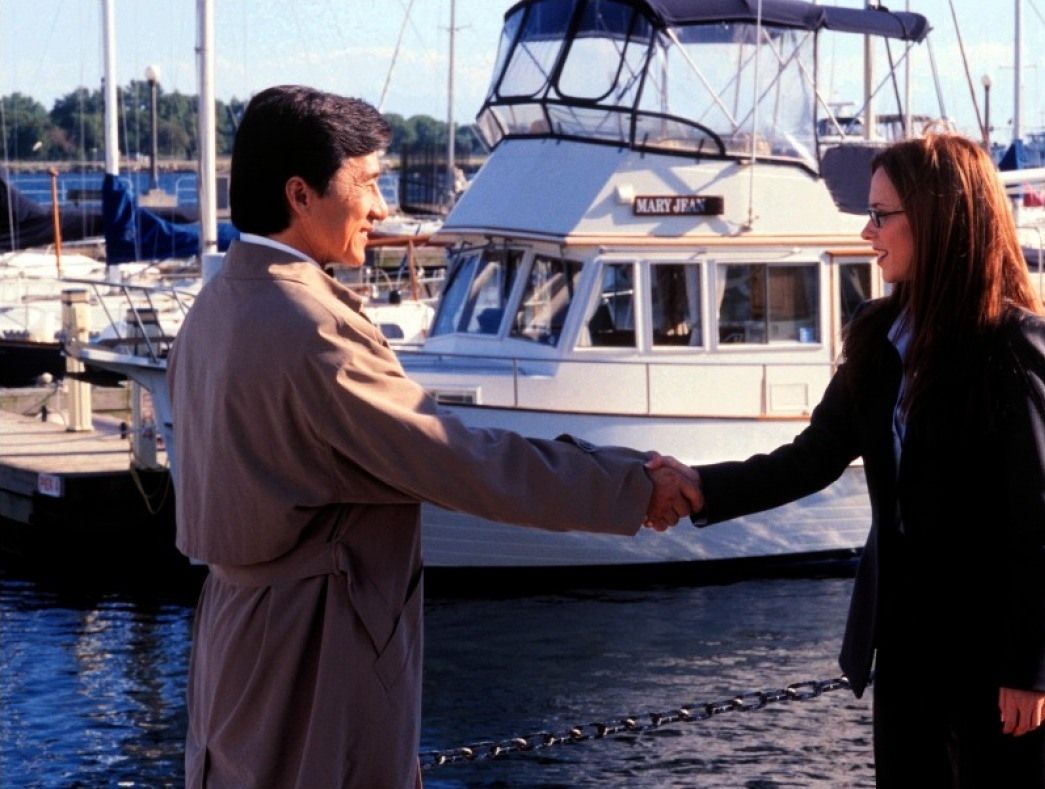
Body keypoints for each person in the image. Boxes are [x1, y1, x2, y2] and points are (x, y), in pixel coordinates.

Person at [167, 85, 701, 789]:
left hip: (229, 645)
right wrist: (629, 487)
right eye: (367, 183)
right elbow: (458, 459)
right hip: (312, 649)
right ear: (300, 194)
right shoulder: (311, 326)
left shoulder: (215, 305)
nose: (382, 208)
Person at [658, 133, 1045, 786]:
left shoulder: (1011, 344)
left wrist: (1029, 669)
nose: (867, 232)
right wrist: (699, 486)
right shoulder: (876, 335)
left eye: (879, 214)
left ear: (936, 218)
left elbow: (1035, 517)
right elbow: (811, 458)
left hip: (992, 662)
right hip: (902, 650)